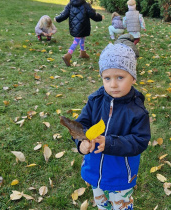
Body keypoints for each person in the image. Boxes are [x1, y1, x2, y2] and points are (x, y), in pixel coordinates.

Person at [71, 42, 151, 209]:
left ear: (133, 77)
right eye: (107, 78)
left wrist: (110, 143)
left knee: (120, 205)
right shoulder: (95, 100)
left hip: (120, 175)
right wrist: (82, 142)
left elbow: (140, 141)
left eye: (120, 77)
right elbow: (81, 124)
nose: (113, 84)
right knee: (101, 203)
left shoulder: (137, 110)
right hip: (95, 169)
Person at [54, 0, 104, 66]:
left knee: (82, 37)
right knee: (76, 41)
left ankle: (82, 53)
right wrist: (100, 17)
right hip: (83, 26)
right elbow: (93, 14)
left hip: (74, 27)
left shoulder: (70, 4)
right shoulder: (86, 5)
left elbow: (64, 14)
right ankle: (68, 55)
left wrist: (57, 18)